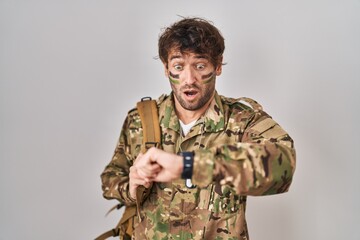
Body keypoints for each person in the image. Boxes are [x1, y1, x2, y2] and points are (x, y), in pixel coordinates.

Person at [101, 17, 296, 240]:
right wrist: (131, 186)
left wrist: (190, 166)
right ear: (166, 68)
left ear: (218, 66)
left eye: (200, 66)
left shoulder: (243, 120)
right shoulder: (140, 120)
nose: (189, 79)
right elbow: (110, 179)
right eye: (178, 66)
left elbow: (284, 165)